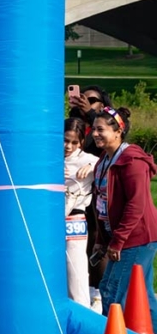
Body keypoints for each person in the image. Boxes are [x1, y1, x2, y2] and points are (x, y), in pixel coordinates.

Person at [91, 107, 157, 318]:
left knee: (111, 290)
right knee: (143, 297)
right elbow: (102, 204)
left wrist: (118, 241)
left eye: (100, 129)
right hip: (119, 236)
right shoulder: (103, 161)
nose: (94, 134)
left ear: (118, 131)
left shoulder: (132, 161)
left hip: (137, 237)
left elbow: (135, 205)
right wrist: (102, 239)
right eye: (93, 129)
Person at [64, 117, 98, 310]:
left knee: (76, 275)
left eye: (74, 142)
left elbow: (109, 163)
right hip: (48, 222)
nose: (68, 146)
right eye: (65, 140)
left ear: (81, 142)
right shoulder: (50, 157)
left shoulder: (88, 159)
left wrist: (93, 166)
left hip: (73, 220)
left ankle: (82, 323)